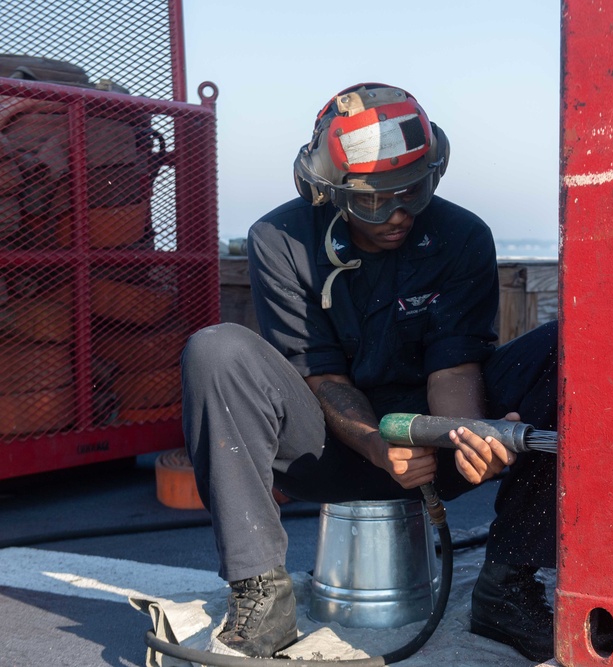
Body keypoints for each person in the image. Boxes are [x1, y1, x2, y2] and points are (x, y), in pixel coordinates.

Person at [180, 83, 558, 662]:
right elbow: (321, 376)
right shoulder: (278, 241)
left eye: (413, 191)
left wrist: (470, 433)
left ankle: (508, 583)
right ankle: (260, 590)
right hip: (328, 449)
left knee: (569, 348)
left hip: (436, 451)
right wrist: (381, 446)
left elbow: (453, 363)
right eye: (374, 201)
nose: (399, 214)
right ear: (326, 191)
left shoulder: (463, 237)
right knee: (215, 349)